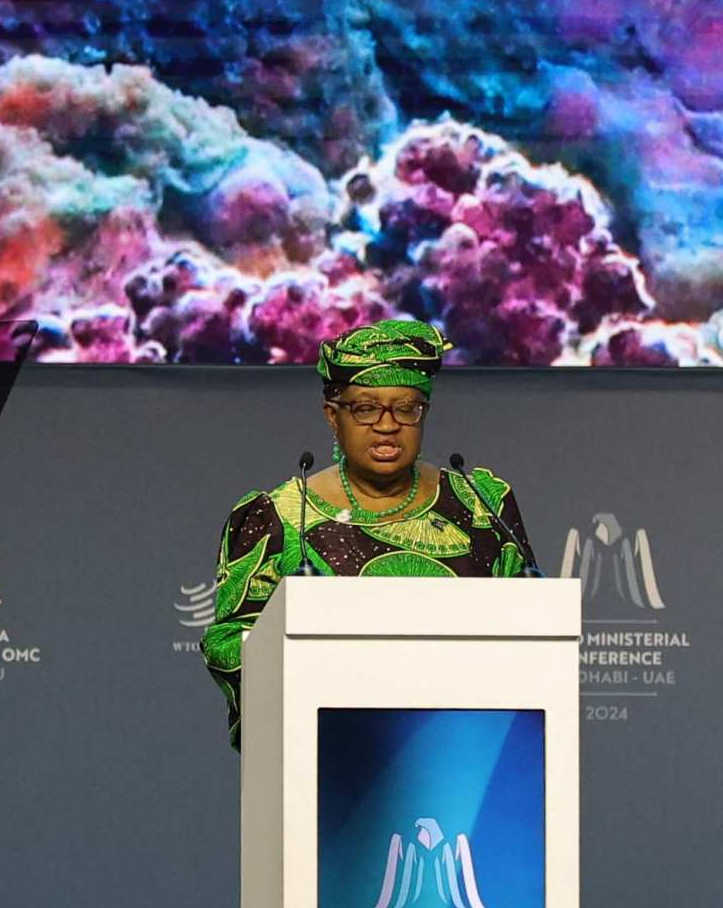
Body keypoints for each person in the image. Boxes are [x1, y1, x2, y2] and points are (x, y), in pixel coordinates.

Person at [201, 316, 535, 746]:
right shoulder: (280, 518)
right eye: (365, 407)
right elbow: (230, 646)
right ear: (332, 417)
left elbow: (532, 630)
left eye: (406, 407)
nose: (387, 424)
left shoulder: (481, 505)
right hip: (328, 760)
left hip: (469, 756)